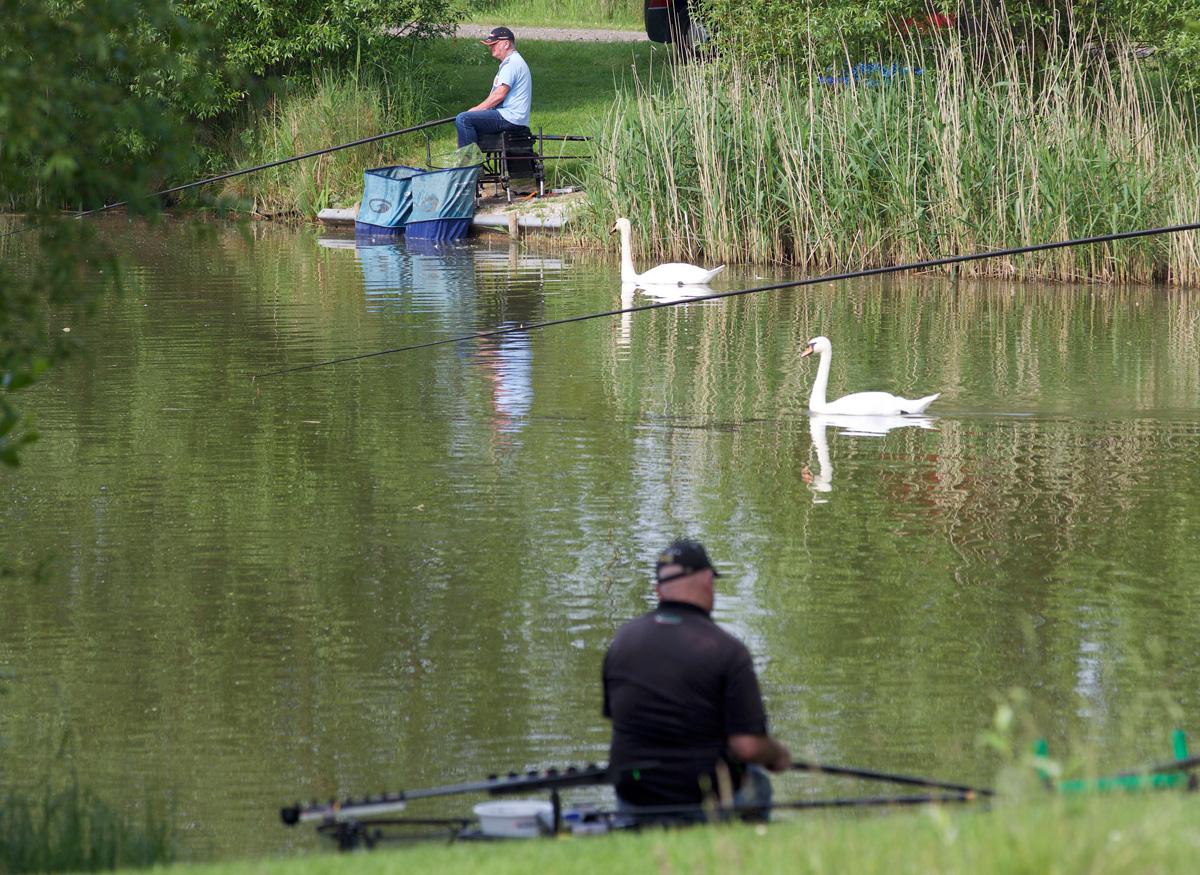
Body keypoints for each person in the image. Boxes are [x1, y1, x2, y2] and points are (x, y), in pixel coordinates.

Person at [602, 538, 792, 822]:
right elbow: (748, 746)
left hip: (635, 794)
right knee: (756, 779)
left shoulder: (622, 641)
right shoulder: (726, 649)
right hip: (700, 796)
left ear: (658, 590)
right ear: (706, 581)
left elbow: (622, 719)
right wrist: (777, 754)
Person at [455, 26, 532, 148]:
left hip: (510, 117)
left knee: (464, 119)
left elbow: (499, 95)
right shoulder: (513, 61)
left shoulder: (511, 64)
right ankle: (472, 155)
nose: (491, 47)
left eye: (494, 44)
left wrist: (477, 109)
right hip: (512, 116)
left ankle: (469, 160)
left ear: (506, 44)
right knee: (468, 119)